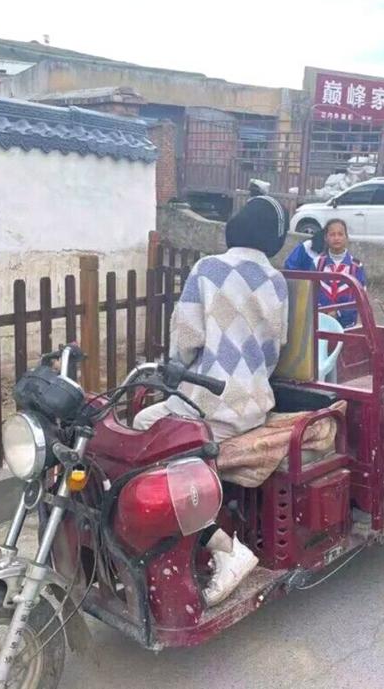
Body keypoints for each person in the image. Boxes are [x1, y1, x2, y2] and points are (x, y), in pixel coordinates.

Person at [133, 195, 289, 605]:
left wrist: (174, 369)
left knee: (141, 433)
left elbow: (186, 339)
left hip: (209, 403)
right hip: (254, 405)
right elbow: (274, 348)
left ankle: (226, 549)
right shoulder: (276, 280)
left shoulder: (209, 268)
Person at [284, 218, 366, 327]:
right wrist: (324, 310)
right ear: (326, 238)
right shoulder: (317, 263)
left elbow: (360, 298)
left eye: (340, 234)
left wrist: (338, 312)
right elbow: (311, 292)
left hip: (347, 326)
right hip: (320, 324)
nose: (336, 238)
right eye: (332, 234)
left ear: (346, 237)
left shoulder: (356, 266)